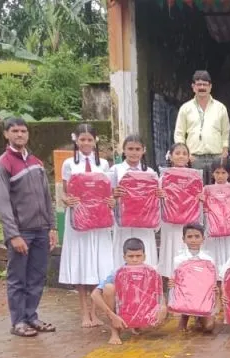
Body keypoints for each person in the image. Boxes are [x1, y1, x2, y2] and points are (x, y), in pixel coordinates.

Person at [0, 117, 58, 338]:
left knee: (37, 276)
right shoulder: (2, 165)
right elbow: (2, 204)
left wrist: (52, 227)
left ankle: (31, 316)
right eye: (15, 131)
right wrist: (13, 235)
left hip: (41, 230)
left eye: (23, 131)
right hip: (21, 232)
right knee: (18, 278)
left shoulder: (37, 163)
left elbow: (48, 198)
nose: (20, 135)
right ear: (6, 134)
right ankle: (18, 321)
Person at [59, 123, 114, 328]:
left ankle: (95, 312)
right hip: (79, 222)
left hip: (99, 221)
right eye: (82, 139)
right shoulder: (68, 164)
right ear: (76, 140)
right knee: (82, 264)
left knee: (97, 266)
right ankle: (84, 314)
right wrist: (66, 201)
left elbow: (108, 192)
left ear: (95, 141)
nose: (86, 143)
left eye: (89, 139)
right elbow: (64, 191)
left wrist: (111, 202)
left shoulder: (104, 165)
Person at [91, 238, 169, 346]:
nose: (135, 260)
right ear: (124, 257)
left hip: (141, 307)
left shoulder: (150, 272)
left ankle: (137, 325)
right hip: (122, 307)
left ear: (144, 256)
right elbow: (94, 295)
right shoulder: (117, 272)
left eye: (138, 256)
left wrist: (163, 307)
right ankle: (115, 332)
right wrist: (112, 315)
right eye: (131, 256)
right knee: (109, 288)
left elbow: (158, 292)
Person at [110, 134, 159, 269]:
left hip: (145, 223)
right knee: (122, 254)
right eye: (130, 149)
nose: (134, 152)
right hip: (123, 223)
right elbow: (108, 196)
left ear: (143, 150)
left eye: (137, 149)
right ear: (124, 150)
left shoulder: (151, 172)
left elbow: (155, 200)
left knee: (146, 253)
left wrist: (158, 195)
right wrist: (114, 194)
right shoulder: (115, 170)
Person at [173, 70, 229, 183]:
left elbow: (226, 132)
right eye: (199, 84)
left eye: (205, 84)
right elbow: (179, 133)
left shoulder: (220, 107)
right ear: (193, 87)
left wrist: (224, 151)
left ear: (210, 87)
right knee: (196, 191)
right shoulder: (185, 108)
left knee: (215, 192)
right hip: (194, 158)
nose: (202, 87)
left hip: (216, 158)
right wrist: (185, 155)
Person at [157, 143, 195, 282]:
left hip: (187, 223)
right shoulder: (164, 177)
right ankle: (170, 296)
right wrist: (159, 195)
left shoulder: (194, 177)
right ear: (171, 157)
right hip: (170, 224)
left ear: (188, 157)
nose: (181, 156)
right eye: (177, 153)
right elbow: (157, 199)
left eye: (184, 153)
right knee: (170, 255)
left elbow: (197, 197)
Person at [172, 222, 217, 333]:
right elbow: (175, 281)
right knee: (180, 330)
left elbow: (211, 283)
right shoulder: (178, 259)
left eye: (197, 236)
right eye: (190, 237)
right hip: (185, 298)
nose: (193, 240)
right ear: (183, 239)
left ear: (203, 238)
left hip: (202, 299)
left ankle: (199, 316)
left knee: (209, 327)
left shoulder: (209, 260)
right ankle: (185, 316)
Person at [202, 158, 230, 267]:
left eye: (223, 172)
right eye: (217, 172)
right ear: (212, 173)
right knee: (213, 255)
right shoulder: (206, 190)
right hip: (213, 229)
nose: (220, 176)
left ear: (228, 174)